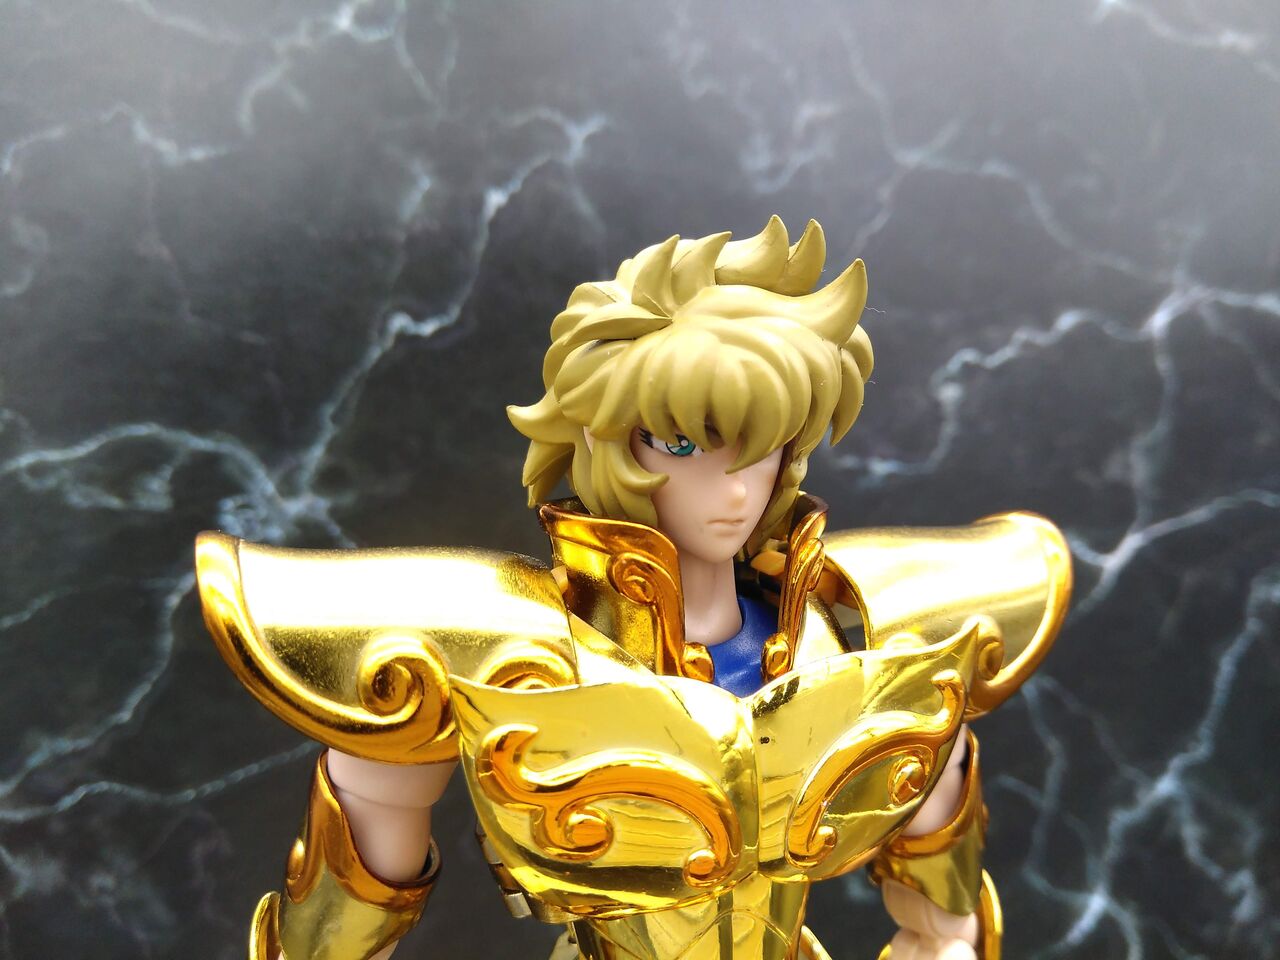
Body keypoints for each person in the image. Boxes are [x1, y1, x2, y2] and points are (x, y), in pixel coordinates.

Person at [196, 217, 1070, 960]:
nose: (732, 490)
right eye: (681, 443)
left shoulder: (849, 635)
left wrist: (945, 942)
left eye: (760, 447)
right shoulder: (511, 655)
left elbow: (940, 889)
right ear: (605, 441)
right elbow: (362, 880)